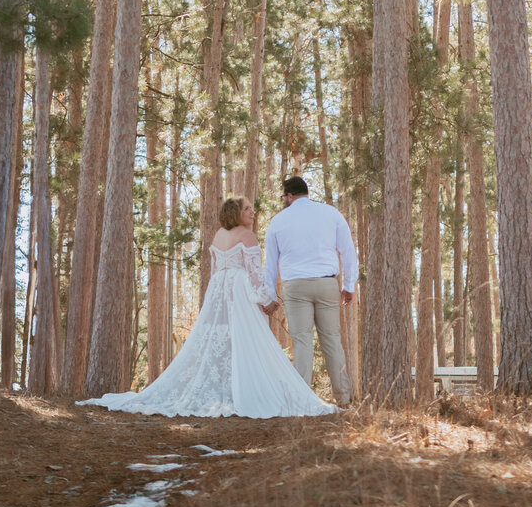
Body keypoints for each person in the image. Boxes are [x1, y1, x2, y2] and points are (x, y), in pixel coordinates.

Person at [95, 196, 336, 419]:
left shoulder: (219, 234)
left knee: (224, 339)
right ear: (235, 213)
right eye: (247, 208)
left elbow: (214, 270)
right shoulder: (246, 236)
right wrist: (267, 300)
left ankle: (229, 388)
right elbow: (255, 274)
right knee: (247, 340)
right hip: (240, 290)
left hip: (219, 289)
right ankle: (245, 391)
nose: (252, 212)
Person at [263, 175, 356, 408]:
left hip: (296, 286)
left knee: (302, 341)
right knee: (332, 341)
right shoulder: (331, 213)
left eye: (284, 196)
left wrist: (270, 295)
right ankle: (343, 398)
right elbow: (347, 250)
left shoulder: (278, 221)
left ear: (290, 195)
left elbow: (270, 262)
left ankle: (302, 401)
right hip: (327, 284)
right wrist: (349, 286)